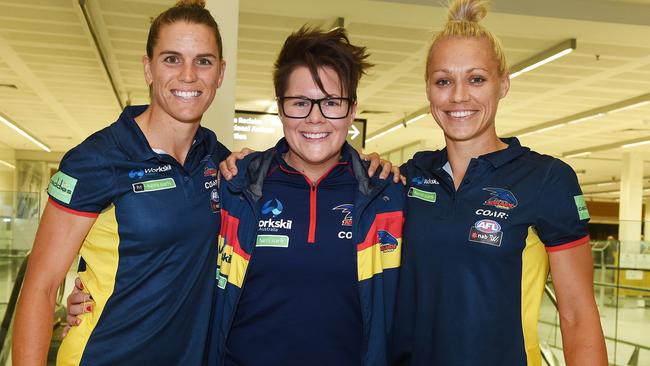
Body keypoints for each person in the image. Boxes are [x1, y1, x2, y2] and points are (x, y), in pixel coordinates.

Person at [12, 1, 231, 365]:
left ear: (220, 73)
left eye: (203, 61)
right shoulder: (96, 160)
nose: (188, 76)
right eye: (172, 59)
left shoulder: (216, 157)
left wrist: (361, 163)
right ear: (148, 67)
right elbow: (40, 286)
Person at [390, 0, 607, 365]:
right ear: (428, 90)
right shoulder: (410, 176)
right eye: (444, 80)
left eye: (476, 79)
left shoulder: (545, 179)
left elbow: (577, 316)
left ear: (502, 84)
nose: (459, 96)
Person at [208, 26, 404, 366]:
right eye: (300, 103)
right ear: (281, 109)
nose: (315, 118)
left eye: (331, 102)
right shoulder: (236, 187)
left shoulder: (386, 195)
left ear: (352, 110)